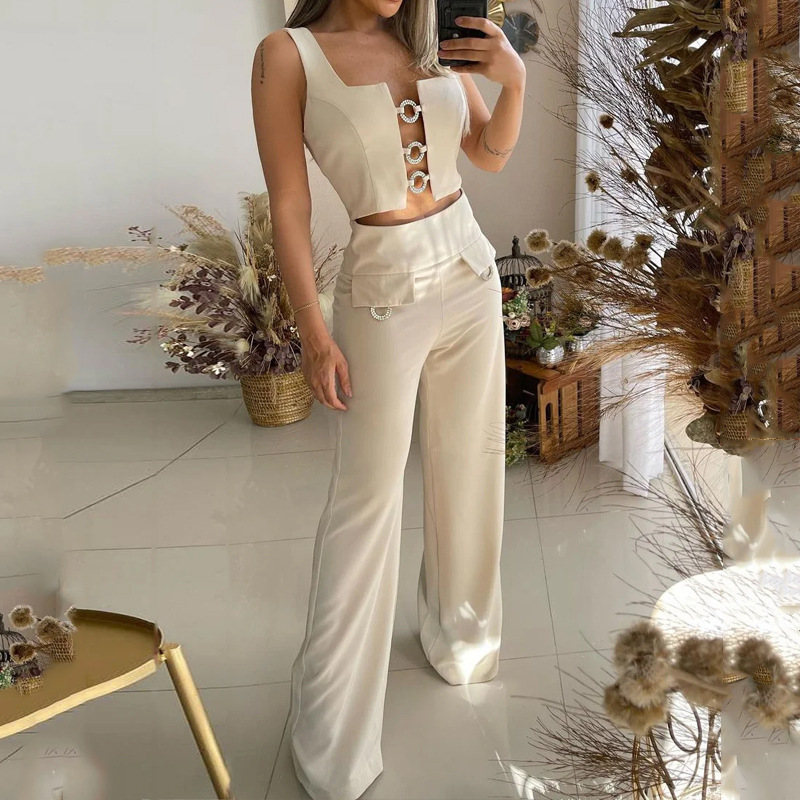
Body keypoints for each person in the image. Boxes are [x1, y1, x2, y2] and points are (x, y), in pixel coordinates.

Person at [251, 2, 525, 797]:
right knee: (366, 503)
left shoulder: (430, 40)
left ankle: (463, 638)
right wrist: (312, 332)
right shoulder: (288, 55)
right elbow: (290, 204)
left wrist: (513, 81)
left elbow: (488, 155)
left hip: (469, 271)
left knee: (470, 464)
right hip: (380, 291)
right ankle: (333, 734)